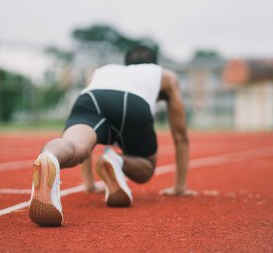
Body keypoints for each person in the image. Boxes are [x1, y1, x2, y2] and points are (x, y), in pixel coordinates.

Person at [28, 45, 195, 227]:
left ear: (126, 64)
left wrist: (90, 185)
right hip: (132, 103)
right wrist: (180, 187)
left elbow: (89, 149)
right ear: (153, 64)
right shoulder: (165, 75)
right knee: (147, 166)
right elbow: (180, 135)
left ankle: (50, 157)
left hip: (91, 98)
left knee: (74, 146)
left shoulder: (101, 72)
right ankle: (116, 160)